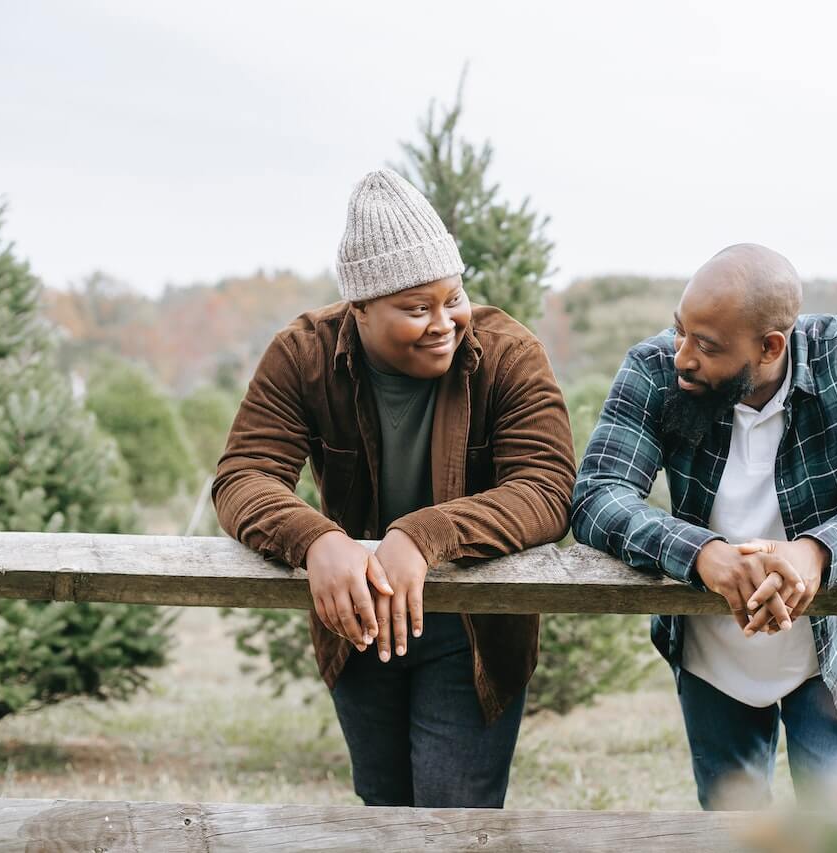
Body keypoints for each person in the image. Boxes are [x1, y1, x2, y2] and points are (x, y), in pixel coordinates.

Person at [213, 169, 575, 808]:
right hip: (356, 621)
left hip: (474, 630)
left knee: (453, 819)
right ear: (359, 310)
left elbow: (546, 488)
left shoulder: (509, 352)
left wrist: (422, 534)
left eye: (453, 297)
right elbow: (243, 476)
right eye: (416, 308)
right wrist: (317, 542)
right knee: (381, 813)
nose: (445, 323)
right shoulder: (302, 355)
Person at [572, 243, 837, 808]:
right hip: (709, 649)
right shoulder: (654, 368)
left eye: (707, 346)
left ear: (770, 347)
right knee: (732, 829)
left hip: (834, 651)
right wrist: (701, 554)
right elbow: (597, 496)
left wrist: (815, 553)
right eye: (680, 331)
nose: (683, 356)